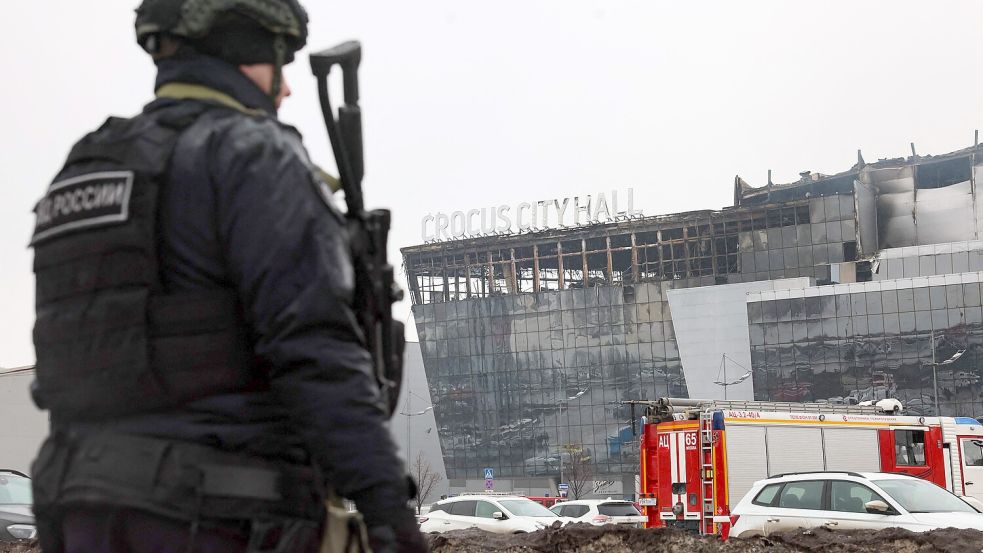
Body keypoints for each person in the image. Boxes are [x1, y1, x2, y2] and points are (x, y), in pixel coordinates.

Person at [28, 1, 427, 552]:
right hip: (217, 515)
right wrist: (389, 512)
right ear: (241, 52)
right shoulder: (251, 154)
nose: (284, 88)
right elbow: (315, 349)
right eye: (277, 63)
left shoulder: (85, 169)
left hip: (81, 514)